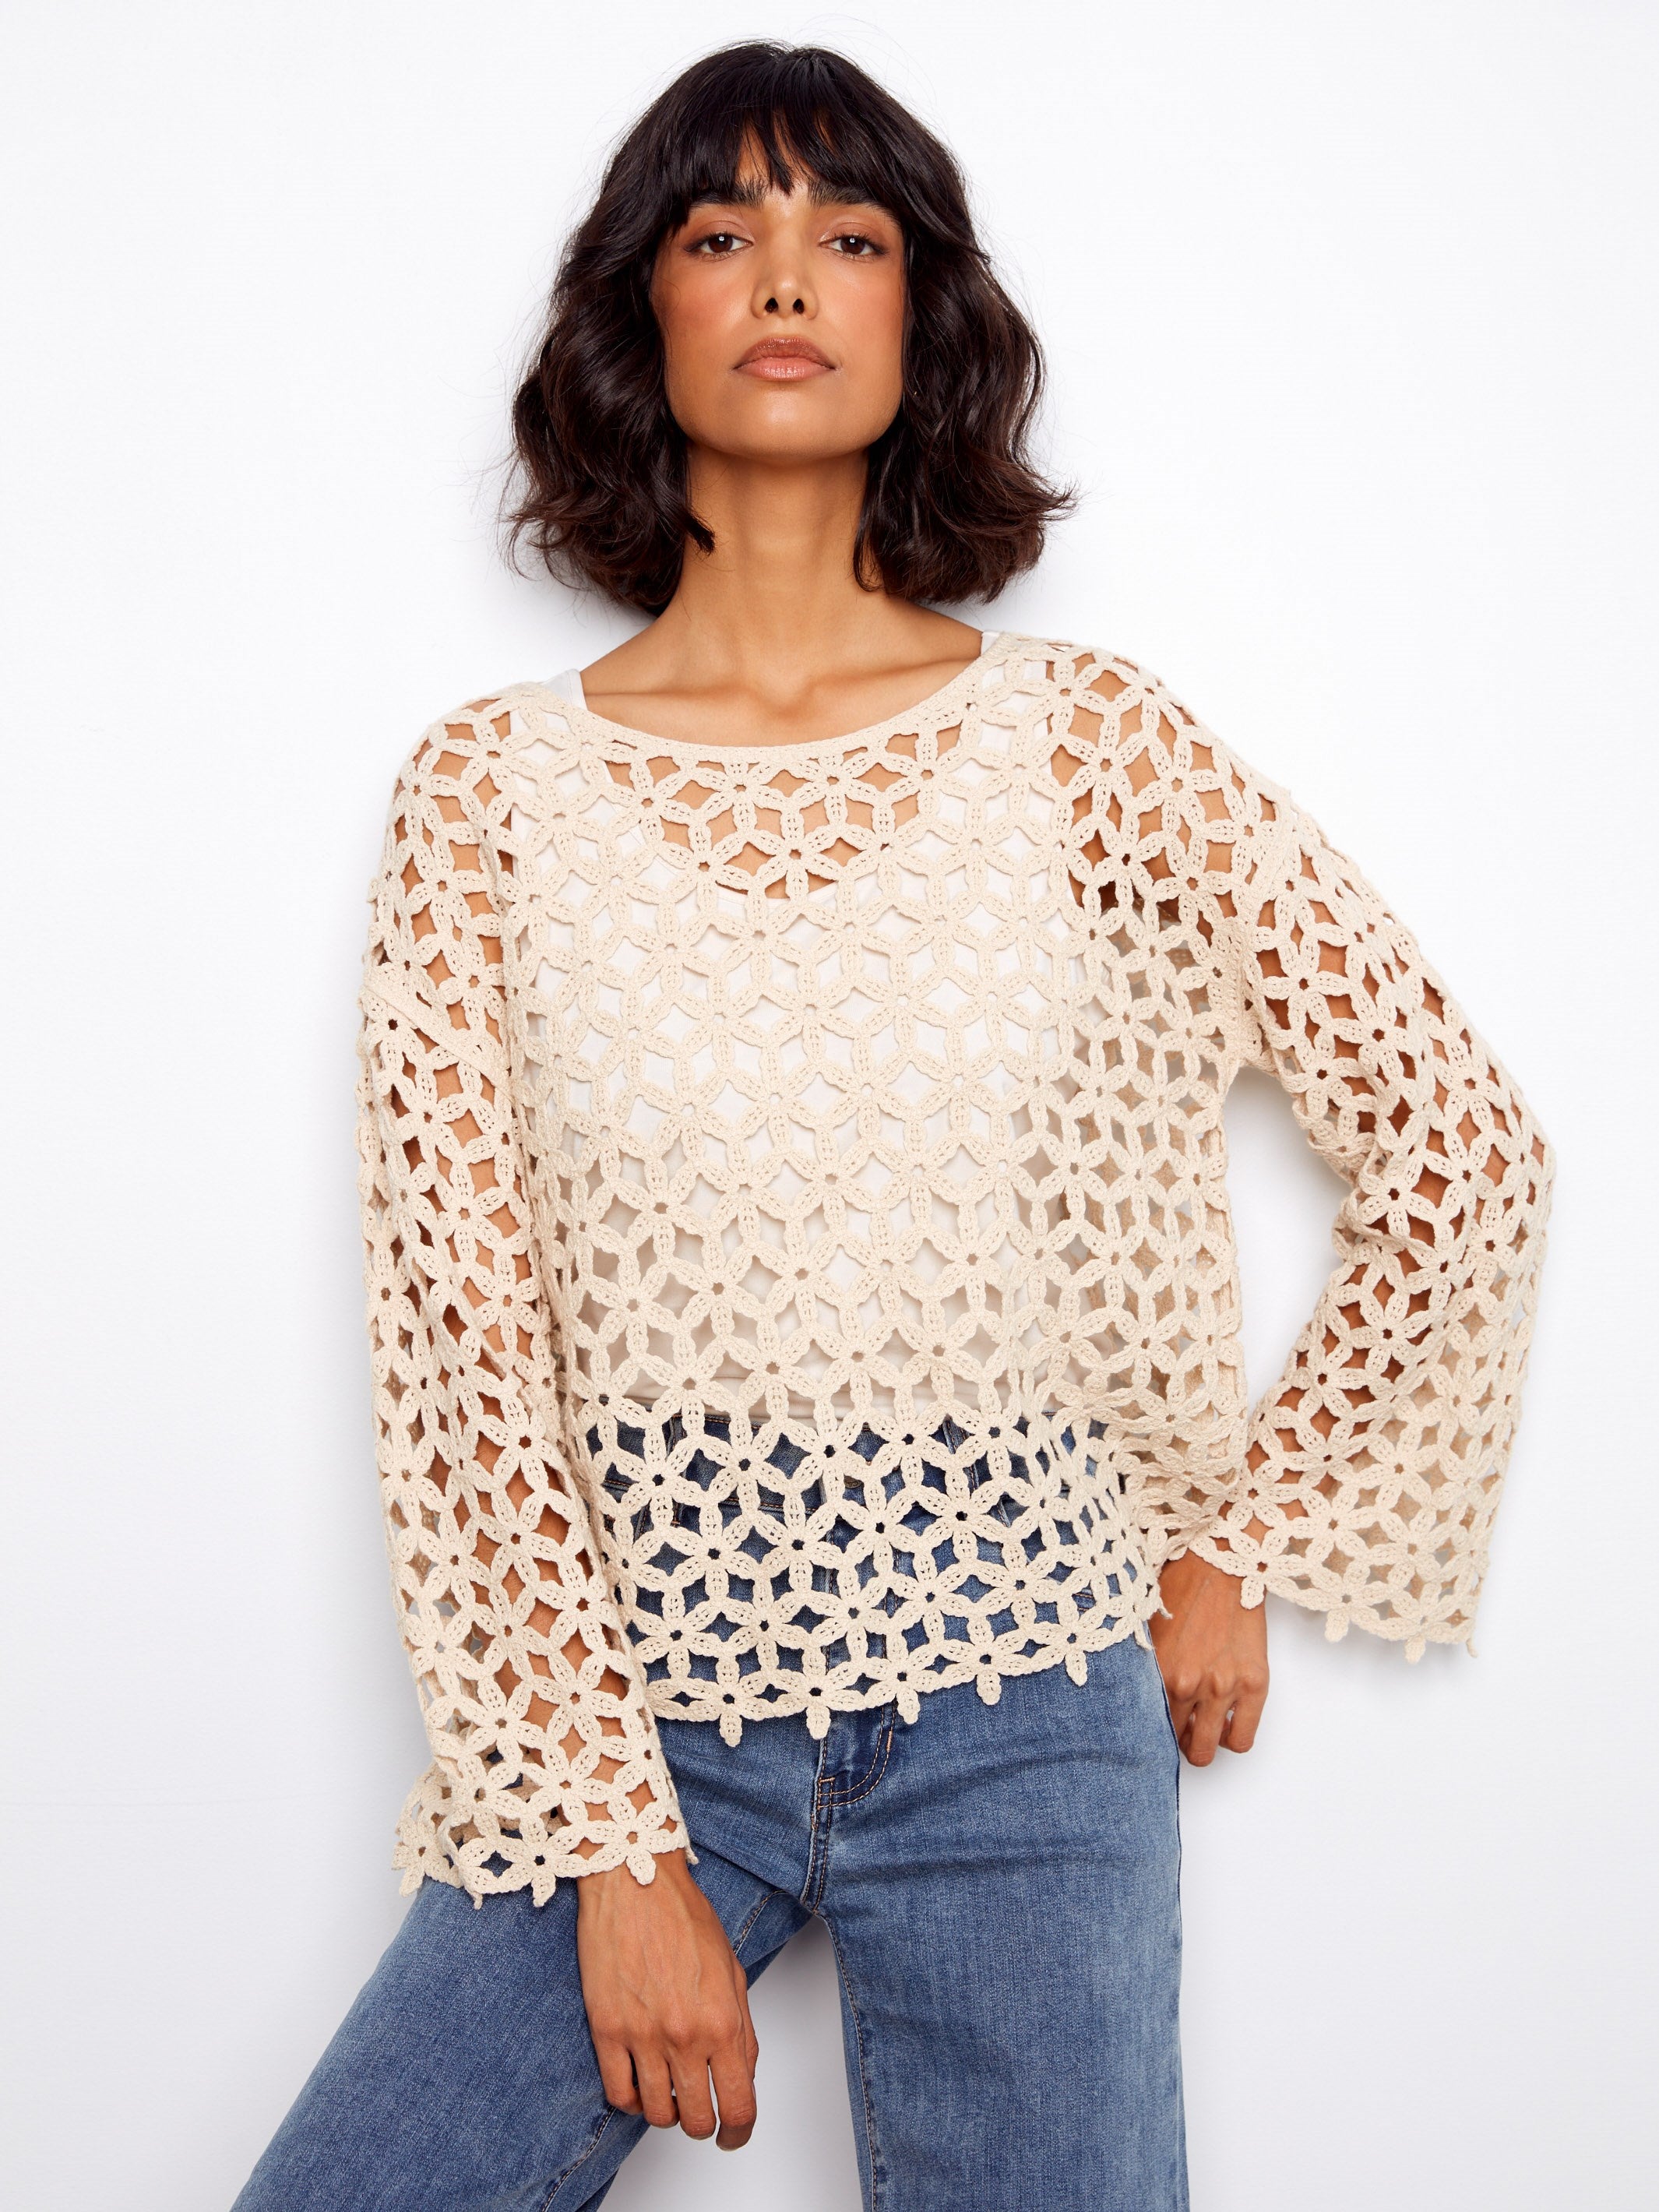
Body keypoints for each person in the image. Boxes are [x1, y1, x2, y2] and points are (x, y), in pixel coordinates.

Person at [233, 40, 1555, 2212]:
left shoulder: (1088, 748)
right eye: (719, 230)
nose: (784, 277)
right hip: (634, 1692)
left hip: (1030, 1676)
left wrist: (1241, 1542)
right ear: (640, 315)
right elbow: (466, 1359)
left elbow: (1459, 1143)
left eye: (846, 236)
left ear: (917, 315)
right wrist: (613, 1845)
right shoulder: (486, 801)